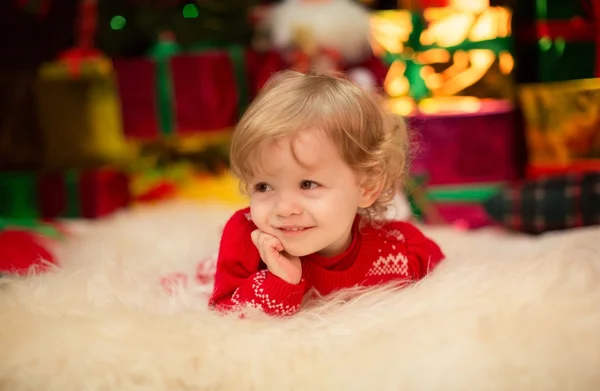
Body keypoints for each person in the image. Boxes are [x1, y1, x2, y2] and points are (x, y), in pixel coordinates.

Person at [209, 70, 444, 317]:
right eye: (263, 187)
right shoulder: (247, 240)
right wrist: (280, 281)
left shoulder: (401, 250)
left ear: (367, 187)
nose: (284, 208)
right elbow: (225, 316)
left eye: (308, 184)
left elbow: (448, 295)